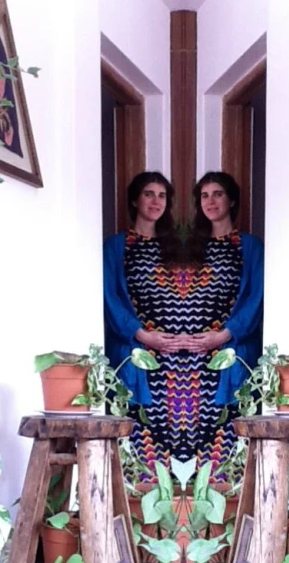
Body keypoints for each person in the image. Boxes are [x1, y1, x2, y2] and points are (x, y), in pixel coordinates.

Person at [181, 171, 264, 475]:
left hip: (235, 348)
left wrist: (225, 335)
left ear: (231, 200)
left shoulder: (250, 246)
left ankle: (231, 496)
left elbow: (256, 298)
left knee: (232, 426)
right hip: (190, 355)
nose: (211, 201)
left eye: (218, 194)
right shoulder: (191, 247)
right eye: (204, 195)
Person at [103, 171, 186, 472]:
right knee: (134, 424)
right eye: (149, 194)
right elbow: (110, 297)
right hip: (132, 348)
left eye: (162, 195)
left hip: (178, 356)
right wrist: (140, 335)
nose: (156, 201)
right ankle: (134, 495)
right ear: (135, 200)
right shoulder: (115, 247)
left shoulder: (176, 247)